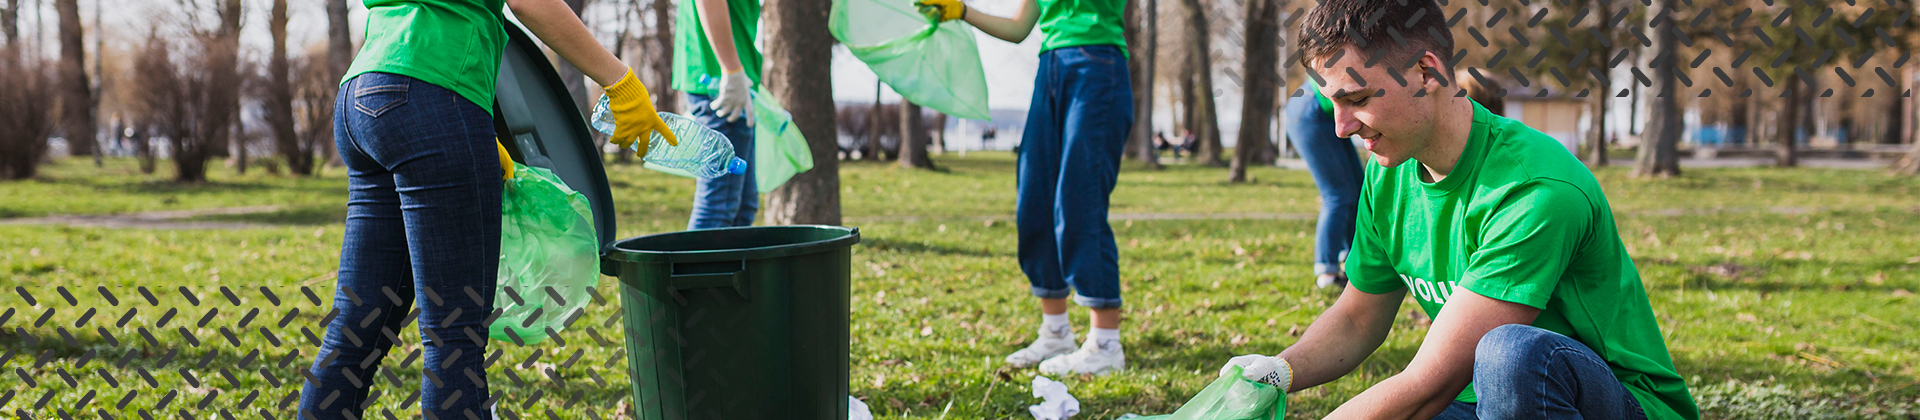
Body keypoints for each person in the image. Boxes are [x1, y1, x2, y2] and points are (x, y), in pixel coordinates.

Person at [1217, 0, 1700, 418]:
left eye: (1357, 99)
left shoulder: (1532, 189)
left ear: (1426, 73)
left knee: (1511, 356)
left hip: (1620, 405)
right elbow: (1357, 318)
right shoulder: (1389, 172)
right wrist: (1281, 370)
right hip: (1482, 404)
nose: (1341, 128)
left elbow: (1427, 386)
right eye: (1332, 104)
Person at [299, 0, 677, 418]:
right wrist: (618, 80)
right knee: (453, 338)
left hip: (364, 91)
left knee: (356, 326)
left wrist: (465, 129)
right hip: (436, 88)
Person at [916, 0, 1134, 375]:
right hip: (1049, 68)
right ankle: (1055, 332)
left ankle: (1106, 343)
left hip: (1098, 67)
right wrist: (961, 10)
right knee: (1035, 198)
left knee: (1079, 200)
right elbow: (1018, 29)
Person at [676, 0, 761, 229]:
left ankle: (730, 266)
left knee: (743, 205)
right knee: (719, 208)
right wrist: (731, 69)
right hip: (719, 82)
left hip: (731, 78)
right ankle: (697, 266)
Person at [1284, 86, 1362, 289]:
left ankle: (1353, 263)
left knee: (1358, 189)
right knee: (1338, 196)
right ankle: (1326, 273)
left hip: (1322, 108)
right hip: (1311, 108)